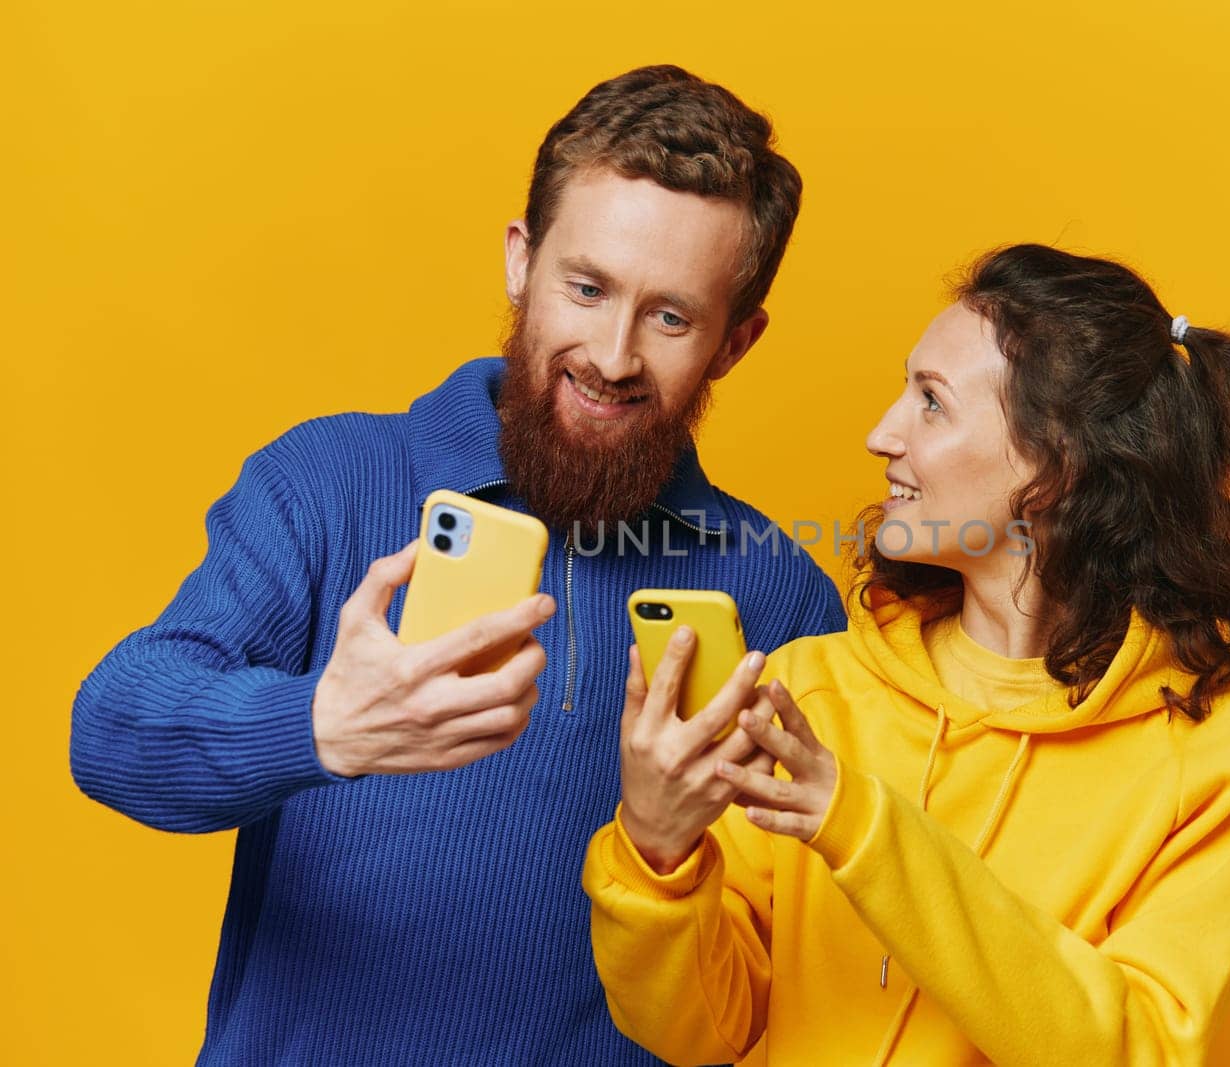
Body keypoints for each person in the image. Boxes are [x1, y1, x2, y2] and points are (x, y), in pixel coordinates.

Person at [71, 65, 845, 1065]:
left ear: (735, 342)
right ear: (521, 262)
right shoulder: (331, 479)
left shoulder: (779, 589)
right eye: (586, 286)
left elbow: (793, 969)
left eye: (670, 317)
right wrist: (320, 725)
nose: (610, 354)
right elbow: (113, 730)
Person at [584, 243, 1230, 1065]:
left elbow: (1135, 1048)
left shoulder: (1224, 754)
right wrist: (656, 852)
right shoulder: (812, 694)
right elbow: (697, 1031)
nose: (880, 434)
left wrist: (862, 828)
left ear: (1060, 462)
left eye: (931, 402)